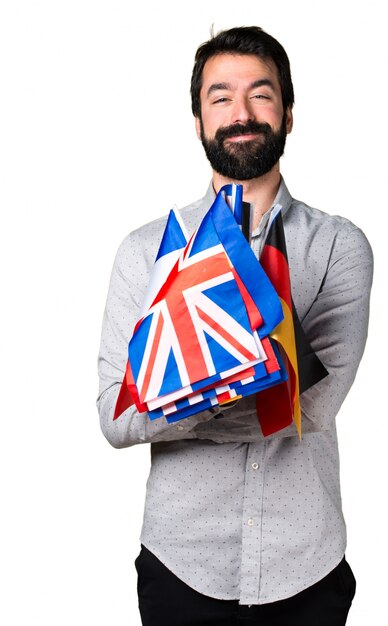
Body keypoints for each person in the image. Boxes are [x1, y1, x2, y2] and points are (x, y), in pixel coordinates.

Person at [97, 26, 373, 626]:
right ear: (197, 119)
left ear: (289, 113)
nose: (240, 113)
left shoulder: (336, 247)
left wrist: (179, 386)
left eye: (261, 94)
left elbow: (311, 408)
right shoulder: (147, 254)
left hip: (307, 566)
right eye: (220, 97)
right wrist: (258, 375)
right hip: (180, 563)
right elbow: (115, 419)